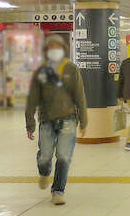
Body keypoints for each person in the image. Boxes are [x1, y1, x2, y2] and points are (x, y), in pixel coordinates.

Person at [25, 34, 88, 205]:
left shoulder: (72, 69)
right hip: (46, 120)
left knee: (64, 156)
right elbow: (32, 99)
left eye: (57, 47)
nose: (54, 51)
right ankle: (44, 172)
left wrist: (83, 121)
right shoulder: (41, 72)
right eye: (51, 48)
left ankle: (58, 191)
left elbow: (80, 96)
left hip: (68, 119)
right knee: (45, 156)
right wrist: (30, 123)